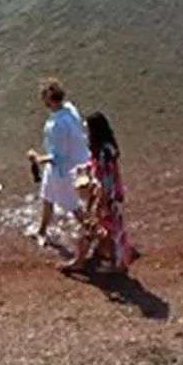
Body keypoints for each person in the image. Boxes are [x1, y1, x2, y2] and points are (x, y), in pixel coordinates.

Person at [26, 78, 88, 249]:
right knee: (47, 197)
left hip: (64, 171)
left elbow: (58, 157)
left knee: (74, 206)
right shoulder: (70, 109)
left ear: (49, 99)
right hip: (79, 162)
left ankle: (96, 233)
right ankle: (42, 231)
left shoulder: (55, 125)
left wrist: (36, 158)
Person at [72, 109, 134, 275]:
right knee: (110, 227)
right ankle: (112, 259)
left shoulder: (103, 151)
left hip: (107, 194)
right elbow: (103, 168)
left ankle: (81, 261)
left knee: (94, 225)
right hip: (111, 193)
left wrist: (101, 198)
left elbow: (106, 177)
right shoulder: (107, 147)